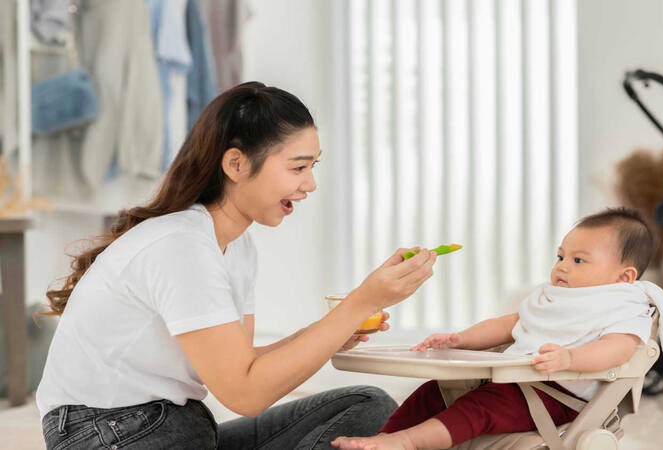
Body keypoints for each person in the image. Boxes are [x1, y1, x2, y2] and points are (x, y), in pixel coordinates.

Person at [36, 82, 439, 449]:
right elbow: (244, 394)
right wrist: (360, 303)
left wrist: (329, 332)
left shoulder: (237, 246)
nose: (310, 184)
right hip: (113, 435)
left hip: (177, 429)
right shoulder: (181, 245)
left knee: (365, 405)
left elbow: (243, 364)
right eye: (298, 167)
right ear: (236, 165)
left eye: (313, 167)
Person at [331, 207, 663, 450]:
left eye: (578, 260)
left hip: (559, 398)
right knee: (435, 390)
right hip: (518, 383)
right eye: (561, 256)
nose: (562, 267)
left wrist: (569, 357)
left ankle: (406, 443)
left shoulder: (624, 304)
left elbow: (619, 349)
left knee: (482, 406)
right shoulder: (553, 296)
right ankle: (384, 438)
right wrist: (461, 339)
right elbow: (509, 325)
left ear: (623, 277)